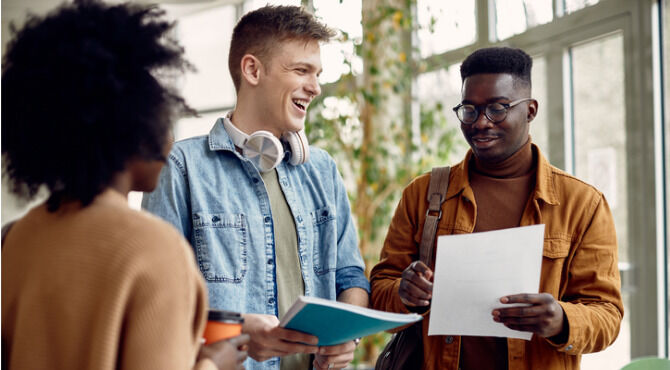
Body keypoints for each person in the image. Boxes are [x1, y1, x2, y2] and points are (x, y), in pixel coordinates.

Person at [1, 1, 248, 369]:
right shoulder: (155, 250)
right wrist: (214, 363)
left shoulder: (17, 238)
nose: (170, 139)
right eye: (164, 118)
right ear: (130, 129)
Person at [142, 5, 369, 370]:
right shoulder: (181, 168)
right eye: (301, 71)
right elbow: (158, 305)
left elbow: (350, 275)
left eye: (317, 73)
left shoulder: (322, 169)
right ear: (252, 70)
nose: (315, 87)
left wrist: (349, 334)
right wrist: (237, 332)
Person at [370, 47, 623, 370]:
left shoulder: (582, 204)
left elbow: (607, 314)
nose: (480, 123)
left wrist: (561, 319)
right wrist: (405, 294)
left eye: (498, 109)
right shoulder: (423, 195)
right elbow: (380, 293)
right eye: (469, 110)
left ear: (530, 110)